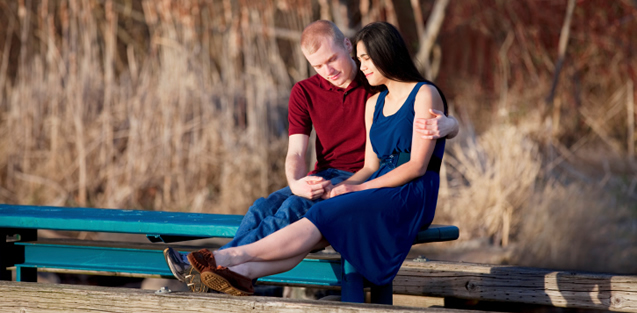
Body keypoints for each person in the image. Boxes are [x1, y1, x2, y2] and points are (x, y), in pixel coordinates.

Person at [164, 20, 458, 293]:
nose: (328, 70)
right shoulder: (314, 93)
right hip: (336, 175)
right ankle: (235, 275)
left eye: (333, 59)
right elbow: (296, 152)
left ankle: (222, 262)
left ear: (347, 47)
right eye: (318, 65)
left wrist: (451, 125)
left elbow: (416, 124)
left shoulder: (374, 84)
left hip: (365, 179)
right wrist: (295, 181)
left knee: (296, 209)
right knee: (261, 207)